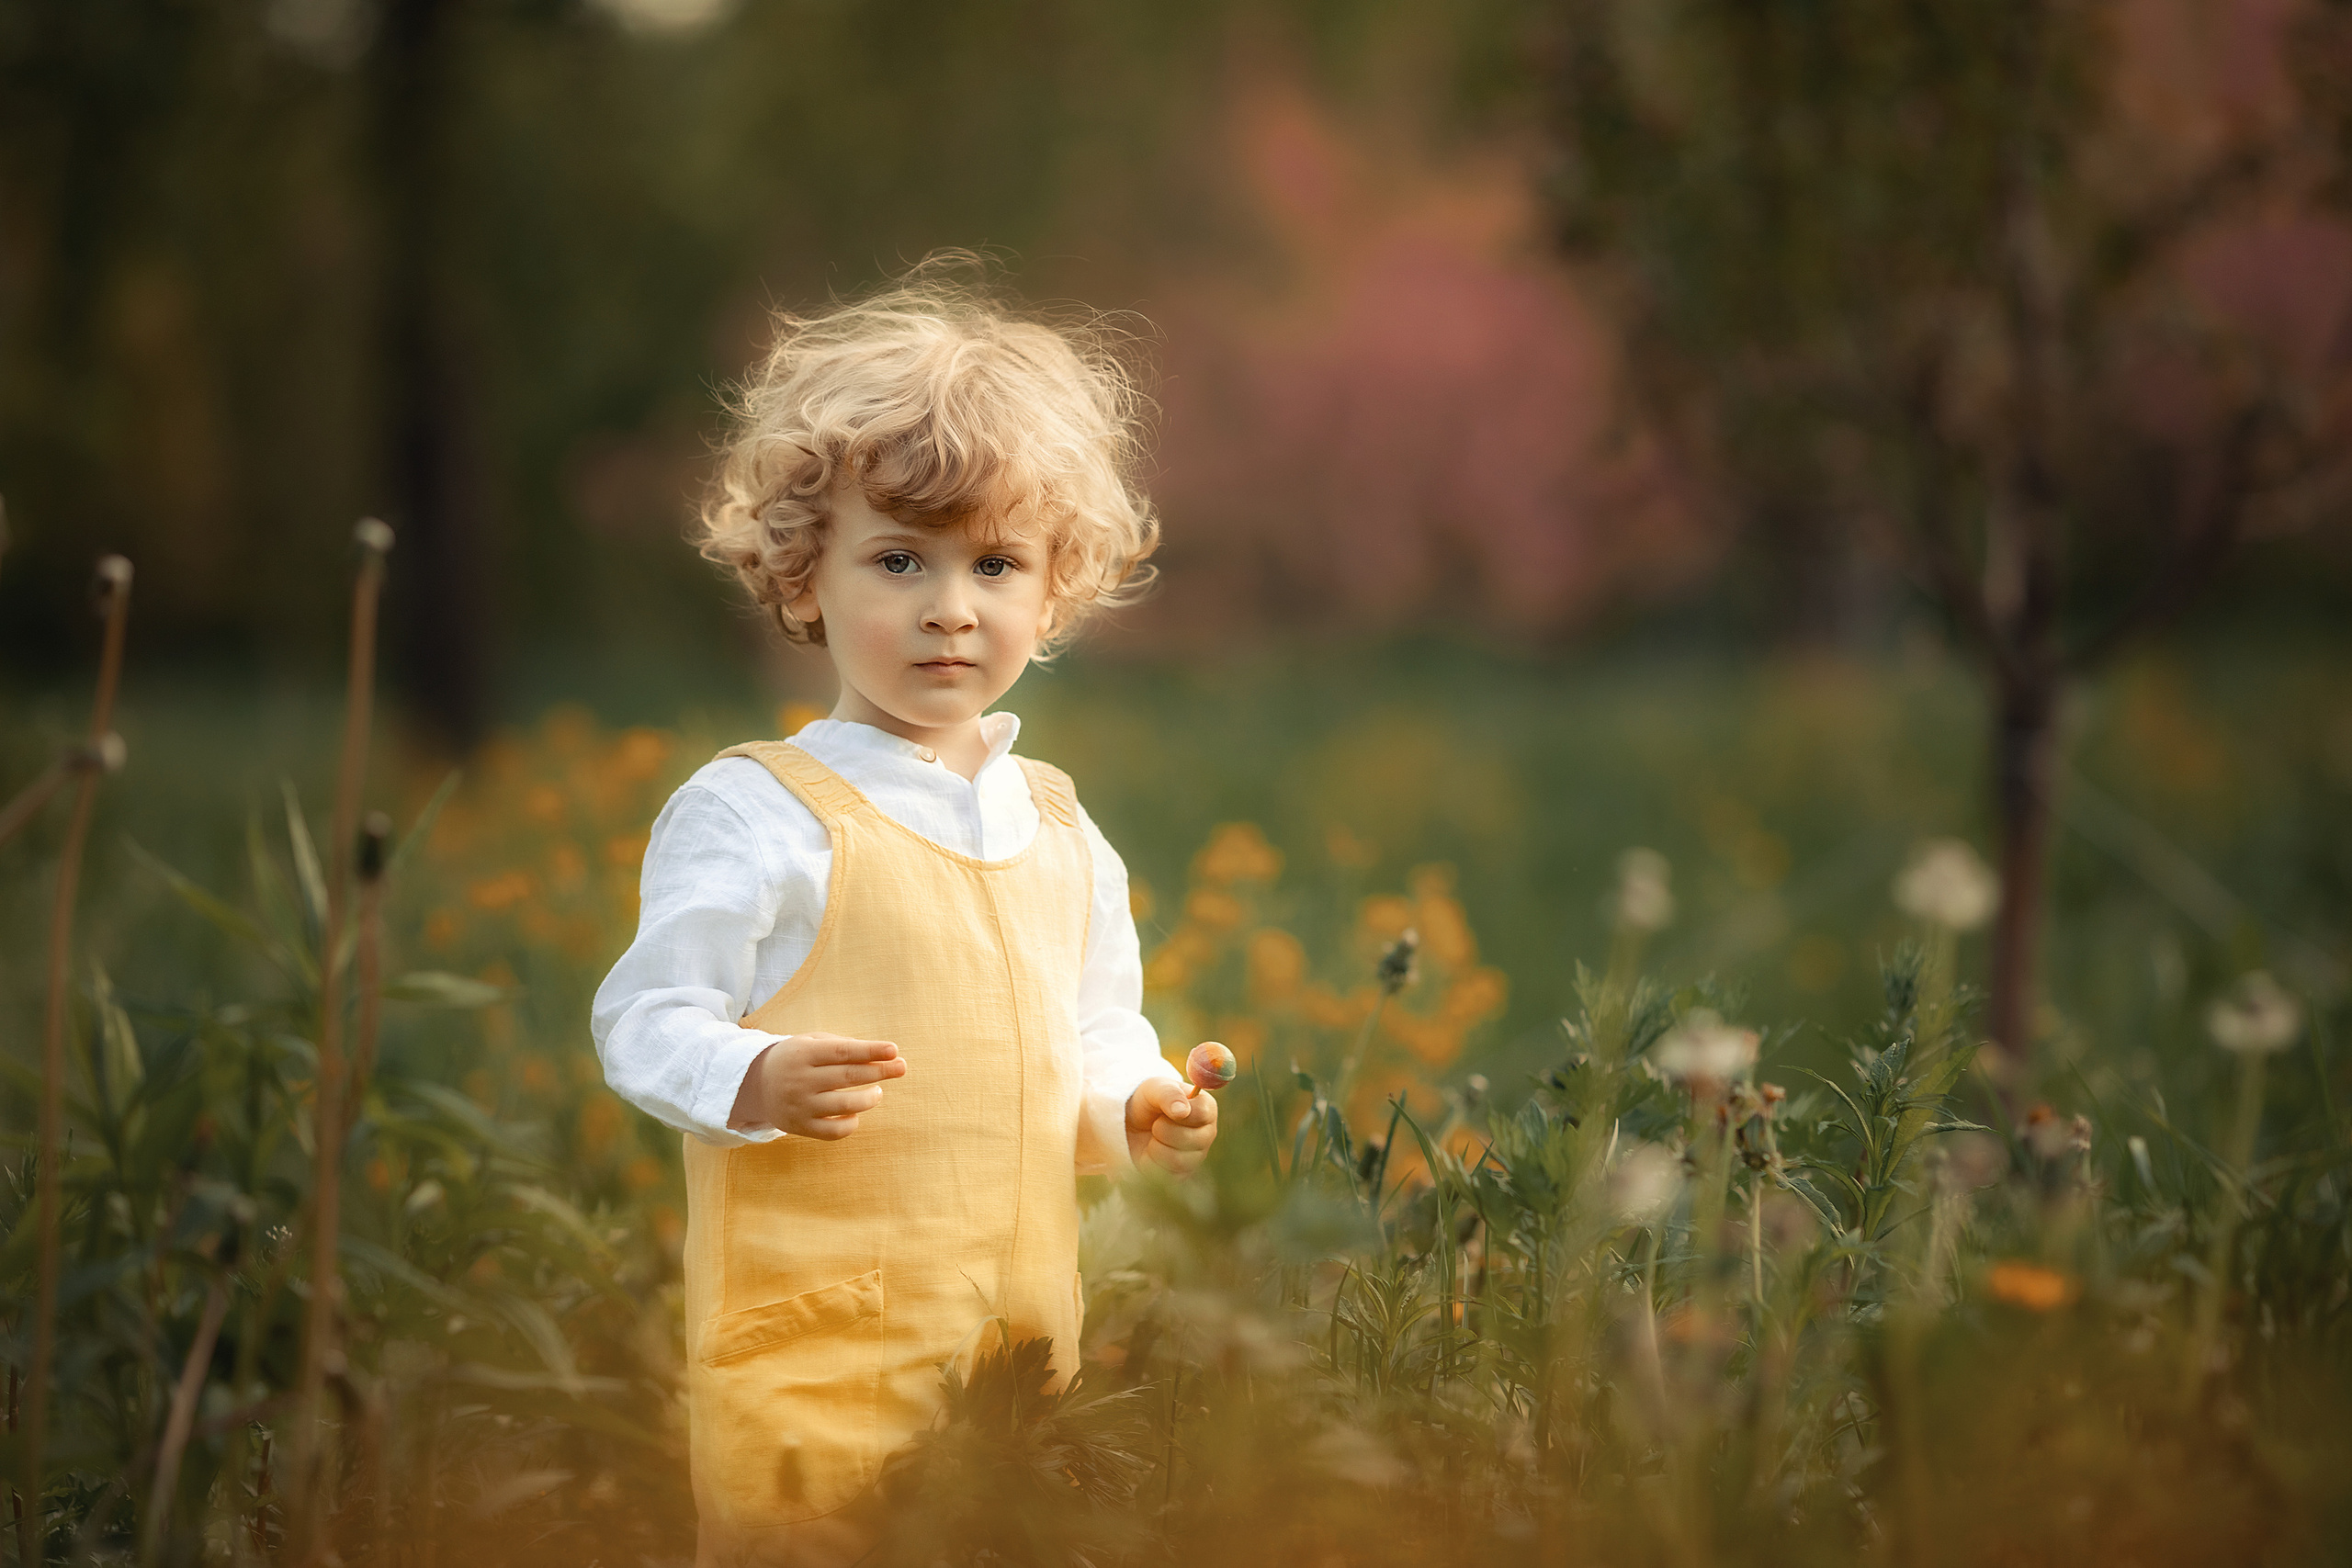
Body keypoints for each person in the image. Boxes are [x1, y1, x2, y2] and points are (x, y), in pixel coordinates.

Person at [590, 259, 1218, 1566]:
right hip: (819, 1358)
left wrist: (1134, 1104)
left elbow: (1092, 1028)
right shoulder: (760, 813)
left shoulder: (1056, 824)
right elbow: (645, 1019)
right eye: (898, 559)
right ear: (804, 579)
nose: (950, 606)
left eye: (996, 564)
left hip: (1016, 1349)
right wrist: (753, 1073)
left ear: (1054, 596)